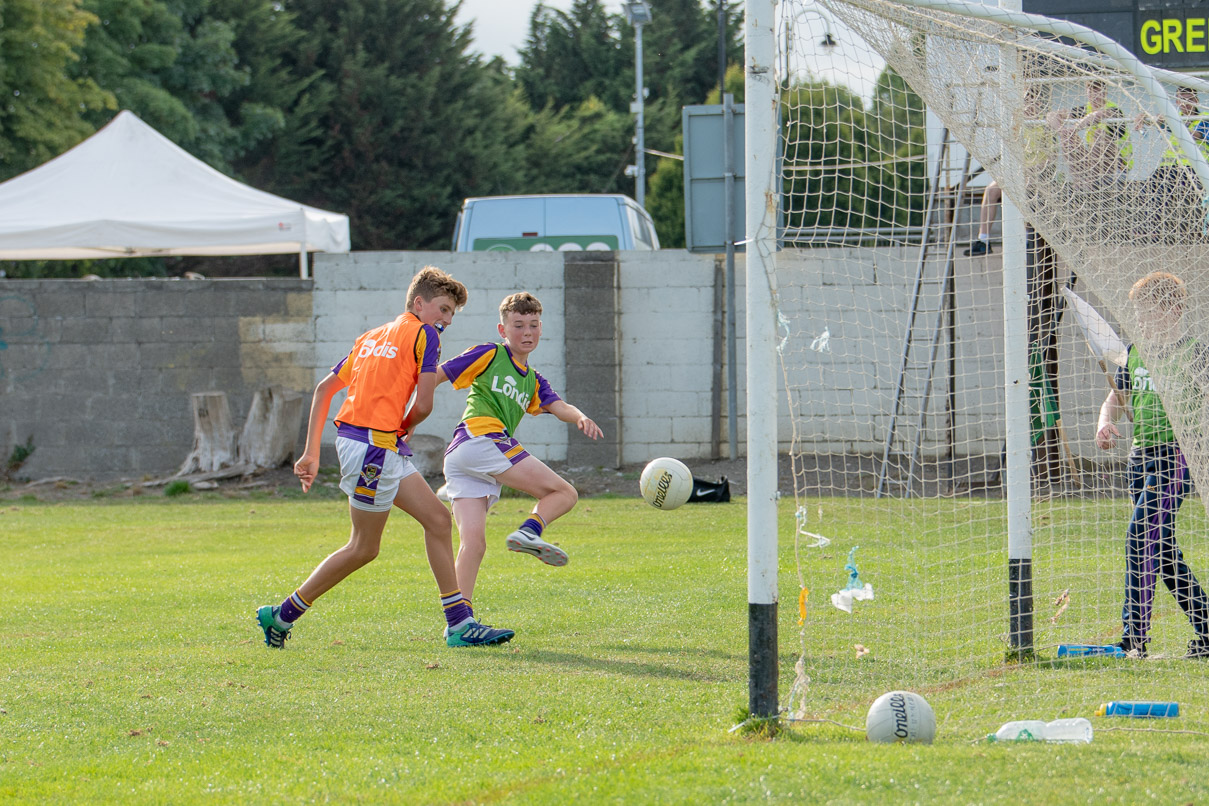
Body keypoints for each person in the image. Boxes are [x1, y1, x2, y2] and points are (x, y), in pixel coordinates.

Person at [256, 266, 515, 649]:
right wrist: (406, 426)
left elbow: (325, 389)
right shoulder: (424, 335)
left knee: (437, 520)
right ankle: (281, 615)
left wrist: (312, 451)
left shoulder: (371, 336)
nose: (445, 320)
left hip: (369, 445)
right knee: (363, 547)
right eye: (442, 309)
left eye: (451, 314)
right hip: (374, 449)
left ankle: (459, 624)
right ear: (419, 303)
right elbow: (424, 404)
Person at [436, 292, 602, 630]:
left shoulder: (534, 379)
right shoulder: (489, 353)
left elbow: (559, 407)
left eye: (534, 325)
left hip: (462, 458)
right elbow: (437, 375)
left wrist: (580, 416)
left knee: (473, 544)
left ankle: (459, 623)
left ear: (541, 329)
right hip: (481, 440)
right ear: (503, 329)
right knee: (564, 494)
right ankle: (529, 531)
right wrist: (406, 414)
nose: (527, 332)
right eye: (518, 325)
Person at [1095, 271, 1209, 658]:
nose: (1140, 319)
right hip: (1138, 459)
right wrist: (1105, 421)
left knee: (1138, 538)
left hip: (1175, 457)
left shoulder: (1193, 352)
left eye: (1147, 311)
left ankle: (1134, 640)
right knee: (1161, 552)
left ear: (1173, 310)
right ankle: (1207, 630)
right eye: (1137, 312)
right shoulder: (1135, 351)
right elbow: (1115, 397)